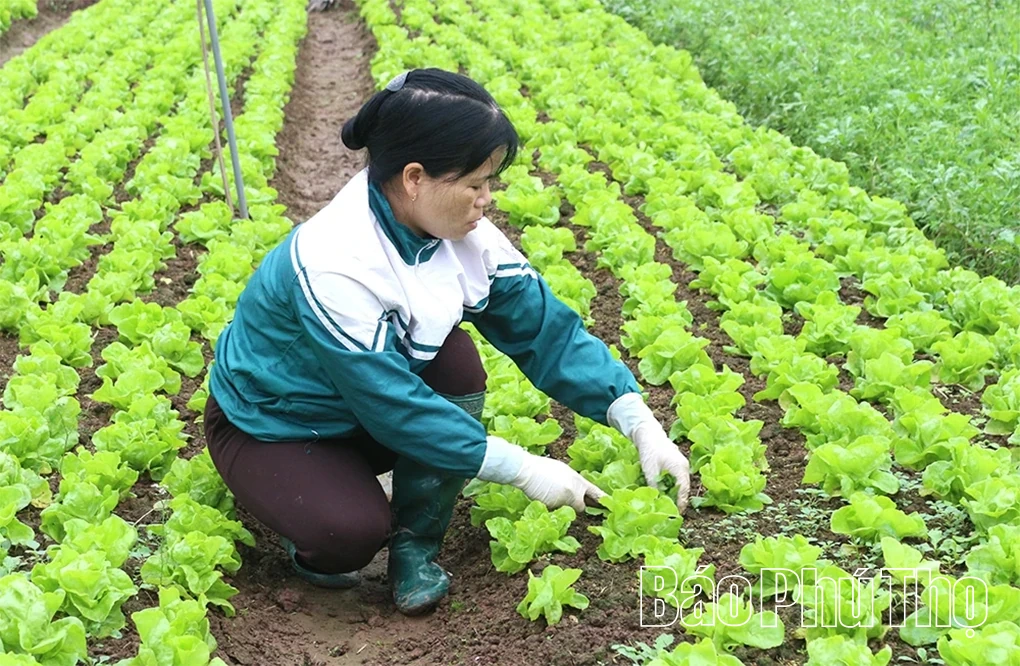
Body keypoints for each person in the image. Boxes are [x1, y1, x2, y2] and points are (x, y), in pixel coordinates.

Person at [202, 68, 690, 617]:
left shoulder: (462, 232)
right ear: (415, 178)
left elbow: (543, 332)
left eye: (491, 182)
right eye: (475, 183)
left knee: (455, 361)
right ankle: (316, 521)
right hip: (277, 423)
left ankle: (416, 544)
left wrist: (636, 418)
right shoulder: (334, 261)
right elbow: (392, 405)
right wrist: (528, 470)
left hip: (362, 412)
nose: (487, 200)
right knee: (348, 536)